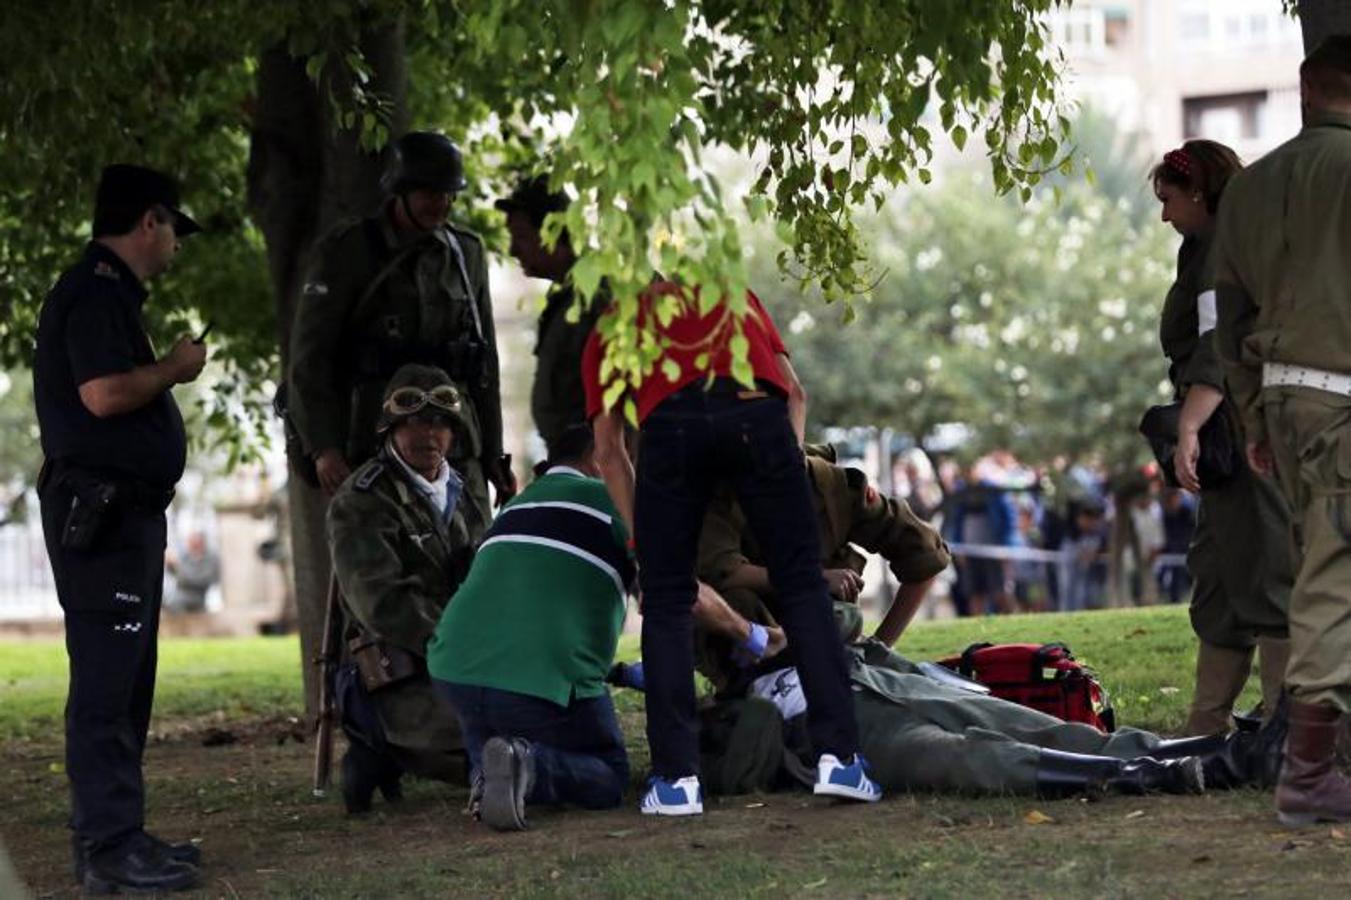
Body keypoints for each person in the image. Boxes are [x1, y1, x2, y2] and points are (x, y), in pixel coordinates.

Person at [587, 281, 881, 815]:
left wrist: (642, 541)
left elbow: (609, 452)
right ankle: (840, 761)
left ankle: (676, 783)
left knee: (669, 599)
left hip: (670, 427)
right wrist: (784, 472)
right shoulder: (732, 292)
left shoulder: (614, 320)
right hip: (757, 416)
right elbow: (794, 394)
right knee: (802, 586)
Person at [682, 590, 1284, 799]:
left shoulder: (800, 637)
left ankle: (1227, 752)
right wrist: (732, 704)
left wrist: (777, 635)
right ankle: (1145, 775)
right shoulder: (726, 714)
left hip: (900, 687)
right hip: (855, 736)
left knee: (1040, 728)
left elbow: (845, 618)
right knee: (964, 757)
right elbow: (744, 766)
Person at [33, 164, 206, 893]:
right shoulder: (96, 292)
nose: (176, 245)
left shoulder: (108, 295)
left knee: (126, 682)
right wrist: (173, 367)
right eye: (173, 229)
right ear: (148, 221)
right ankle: (107, 848)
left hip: (124, 515)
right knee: (107, 683)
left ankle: (119, 834)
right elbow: (103, 395)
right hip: (103, 515)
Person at [1213, 36, 1351, 826]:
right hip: (1341, 404)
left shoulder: (1249, 187)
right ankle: (1307, 774)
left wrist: (1252, 413)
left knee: (1321, 566)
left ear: (1305, 91)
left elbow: (1223, 316)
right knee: (1334, 575)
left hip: (1284, 399)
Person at [288, 130, 516, 535]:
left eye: (448, 194)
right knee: (382, 555)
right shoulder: (348, 250)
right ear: (400, 191)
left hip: (457, 447)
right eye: (429, 193)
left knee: (477, 556)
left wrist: (494, 454)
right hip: (376, 442)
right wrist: (324, 447)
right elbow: (311, 359)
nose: (441, 204)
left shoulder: (466, 254)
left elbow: (484, 363)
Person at [1151, 139, 1293, 737]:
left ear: (1200, 192)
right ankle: (1208, 723)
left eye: (1170, 199)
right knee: (1218, 568)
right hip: (1226, 429)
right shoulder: (1205, 245)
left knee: (1266, 566)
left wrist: (1189, 424)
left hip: (1240, 423)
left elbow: (1219, 344)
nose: (1165, 214)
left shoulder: (1225, 246)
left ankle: (1291, 728)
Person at [427, 424, 634, 831]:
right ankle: (527, 764)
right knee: (609, 775)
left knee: (493, 746)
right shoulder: (617, 502)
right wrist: (750, 634)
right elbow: (684, 594)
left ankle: (491, 774)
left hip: (454, 670)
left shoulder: (516, 506)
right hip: (536, 677)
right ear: (601, 458)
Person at [327, 365, 477, 813]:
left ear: (454, 431)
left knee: (536, 730)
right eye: (413, 422)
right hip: (400, 664)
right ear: (389, 428)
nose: (426, 433)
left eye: (439, 423)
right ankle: (375, 747)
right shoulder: (360, 500)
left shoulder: (462, 492)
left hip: (465, 656)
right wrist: (458, 646)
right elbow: (382, 603)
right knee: (478, 752)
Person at [694, 447, 951, 691]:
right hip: (753, 656)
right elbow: (716, 575)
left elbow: (924, 554)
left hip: (834, 648)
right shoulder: (716, 489)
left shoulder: (830, 485)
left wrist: (878, 648)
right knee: (736, 599)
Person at [495, 176, 606, 459]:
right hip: (578, 463)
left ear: (553, 232)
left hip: (602, 465)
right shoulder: (572, 295)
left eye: (521, 237)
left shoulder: (603, 294)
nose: (513, 250)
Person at [165, 531, 219, 613]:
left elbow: (200, 580)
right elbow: (177, 576)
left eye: (195, 542)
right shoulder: (185, 556)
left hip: (199, 595)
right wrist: (171, 566)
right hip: (180, 593)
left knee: (175, 603)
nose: (191, 545)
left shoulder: (211, 559)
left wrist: (178, 568)